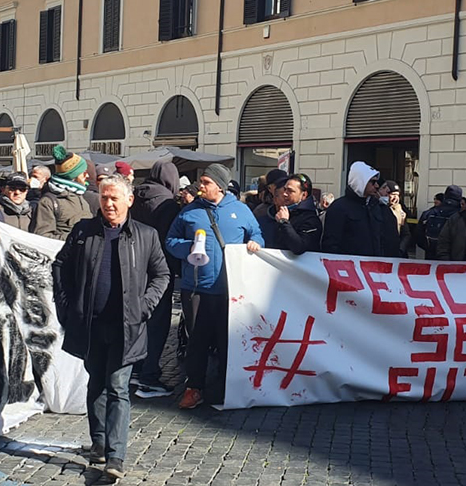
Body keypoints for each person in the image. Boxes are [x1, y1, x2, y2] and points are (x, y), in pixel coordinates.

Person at [53, 175, 170, 481]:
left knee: (118, 388)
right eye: (104, 197)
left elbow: (162, 274)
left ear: (129, 200)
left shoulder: (146, 235)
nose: (109, 203)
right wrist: (66, 306)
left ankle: (116, 456)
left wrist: (145, 306)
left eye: (115, 198)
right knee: (96, 385)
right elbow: (59, 267)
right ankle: (100, 442)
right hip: (91, 326)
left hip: (126, 327)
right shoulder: (83, 232)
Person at [164, 164, 263, 409]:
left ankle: (224, 388)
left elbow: (257, 234)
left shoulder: (241, 211)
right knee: (196, 341)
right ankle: (194, 387)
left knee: (227, 341)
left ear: (220, 185)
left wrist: (255, 243)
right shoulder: (189, 212)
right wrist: (187, 247)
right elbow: (170, 240)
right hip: (196, 288)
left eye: (206, 182)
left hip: (231, 290)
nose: (201, 186)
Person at [129, 160, 182, 398]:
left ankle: (135, 368)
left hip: (132, 267)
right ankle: (149, 376)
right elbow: (169, 241)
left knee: (137, 320)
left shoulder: (134, 197)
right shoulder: (168, 204)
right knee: (158, 323)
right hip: (159, 270)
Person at [321, 162, 396, 257]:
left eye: (377, 182)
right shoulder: (339, 208)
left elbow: (390, 240)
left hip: (377, 267)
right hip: (350, 268)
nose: (376, 186)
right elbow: (330, 244)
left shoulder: (380, 207)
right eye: (372, 182)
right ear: (360, 182)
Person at [33, 146, 93, 239]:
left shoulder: (79, 196)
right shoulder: (48, 202)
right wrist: (74, 238)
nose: (87, 175)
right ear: (73, 176)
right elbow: (43, 237)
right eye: (84, 173)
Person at [256, 173, 323, 255]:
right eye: (285, 189)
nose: (285, 194)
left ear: (304, 195)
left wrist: (284, 222)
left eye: (290, 191)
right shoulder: (273, 214)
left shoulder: (311, 220)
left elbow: (299, 247)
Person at [415, 186, 462, 260]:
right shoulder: (462, 216)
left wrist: (428, 248)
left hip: (431, 257)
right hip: (455, 259)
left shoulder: (428, 213)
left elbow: (418, 235)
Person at [380, 180, 411, 255]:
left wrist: (401, 249)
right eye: (393, 194)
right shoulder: (377, 208)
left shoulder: (400, 210)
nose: (395, 198)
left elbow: (406, 234)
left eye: (398, 195)